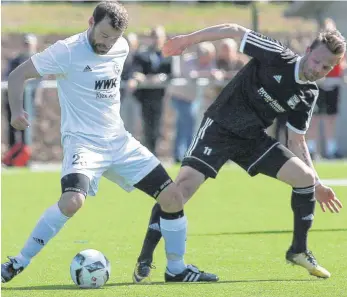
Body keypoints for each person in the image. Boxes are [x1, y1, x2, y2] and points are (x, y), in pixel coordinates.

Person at [1, 1, 216, 284]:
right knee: (72, 201)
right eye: (103, 35)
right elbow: (18, 76)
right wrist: (17, 111)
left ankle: (176, 268)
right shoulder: (66, 51)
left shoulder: (122, 46)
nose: (107, 43)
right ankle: (19, 261)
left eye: (113, 38)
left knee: (173, 198)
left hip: (119, 142)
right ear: (91, 22)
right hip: (83, 144)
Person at [133, 23, 345, 281]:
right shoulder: (278, 55)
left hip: (252, 140)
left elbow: (296, 140)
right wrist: (188, 40)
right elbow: (233, 30)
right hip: (220, 127)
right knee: (178, 192)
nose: (318, 69)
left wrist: (318, 184)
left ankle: (299, 251)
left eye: (325, 67)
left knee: (305, 179)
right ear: (309, 50)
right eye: (317, 61)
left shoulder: (308, 93)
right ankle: (146, 257)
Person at [133, 26, 172, 156]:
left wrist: (161, 78)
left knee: (160, 127)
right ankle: (150, 154)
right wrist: (144, 78)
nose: (156, 40)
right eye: (154, 37)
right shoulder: (142, 54)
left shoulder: (168, 55)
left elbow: (172, 73)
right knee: (148, 126)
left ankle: (156, 153)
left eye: (159, 37)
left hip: (163, 96)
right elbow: (136, 71)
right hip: (146, 97)